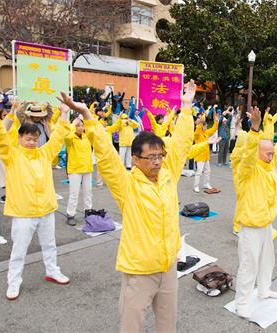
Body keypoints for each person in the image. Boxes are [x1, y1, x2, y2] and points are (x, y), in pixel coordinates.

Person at [57, 80, 196, 333]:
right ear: (135, 159)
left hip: (168, 266)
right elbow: (108, 158)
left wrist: (186, 108)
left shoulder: (168, 174)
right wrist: (88, 116)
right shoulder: (127, 185)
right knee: (132, 326)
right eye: (150, 157)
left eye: (159, 156)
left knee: (168, 325)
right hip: (140, 271)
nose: (157, 162)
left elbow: (182, 145)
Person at [0, 100, 71, 301]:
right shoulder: (12, 154)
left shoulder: (44, 153)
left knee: (50, 244)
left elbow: (58, 138)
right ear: (19, 138)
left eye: (35, 139)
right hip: (23, 212)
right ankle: (14, 281)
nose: (32, 142)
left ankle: (52, 270)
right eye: (28, 138)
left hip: (46, 209)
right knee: (19, 250)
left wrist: (63, 114)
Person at [234, 105, 277, 318]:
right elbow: (250, 154)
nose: (272, 155)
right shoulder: (248, 169)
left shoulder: (269, 165)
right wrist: (254, 128)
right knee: (248, 265)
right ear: (259, 154)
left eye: (272, 153)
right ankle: (241, 302)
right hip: (251, 226)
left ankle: (263, 289)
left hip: (265, 224)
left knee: (266, 261)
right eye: (268, 153)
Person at [65, 117, 93, 226]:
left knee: (88, 192)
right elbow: (67, 138)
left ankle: (88, 211)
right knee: (74, 193)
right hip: (75, 169)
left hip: (87, 169)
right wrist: (73, 125)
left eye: (82, 125)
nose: (80, 127)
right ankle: (71, 214)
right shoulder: (70, 138)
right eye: (78, 125)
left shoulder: (87, 137)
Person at [193, 112, 219, 193]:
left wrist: (216, 121)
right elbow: (197, 131)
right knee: (199, 172)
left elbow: (214, 129)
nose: (206, 128)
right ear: (202, 126)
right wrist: (200, 122)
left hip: (206, 156)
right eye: (205, 126)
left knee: (208, 171)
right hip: (200, 156)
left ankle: (206, 183)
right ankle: (196, 186)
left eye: (206, 126)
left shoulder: (206, 132)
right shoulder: (197, 134)